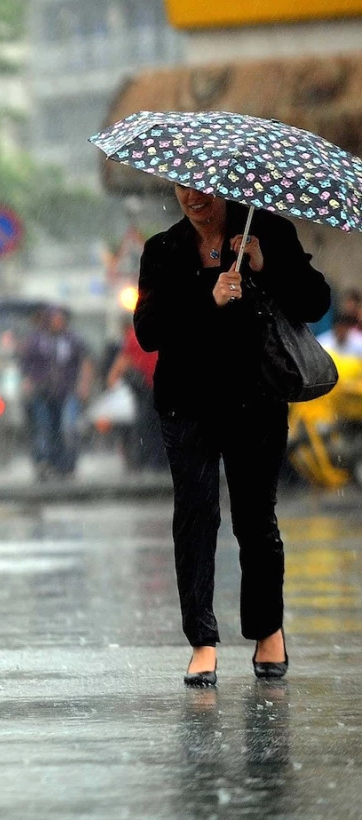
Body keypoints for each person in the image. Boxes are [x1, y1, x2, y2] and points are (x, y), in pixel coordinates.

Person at [135, 184, 330, 687]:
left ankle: (268, 632)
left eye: (204, 190)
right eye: (183, 188)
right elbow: (149, 330)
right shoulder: (163, 249)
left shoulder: (266, 232)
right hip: (187, 404)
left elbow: (314, 302)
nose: (193, 198)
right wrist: (209, 296)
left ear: (226, 188)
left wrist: (268, 267)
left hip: (255, 400)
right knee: (195, 519)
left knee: (255, 521)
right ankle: (202, 641)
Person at [18, 307, 93, 479]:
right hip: (41, 391)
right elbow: (25, 362)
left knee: (67, 427)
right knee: (44, 427)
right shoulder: (36, 340)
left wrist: (84, 384)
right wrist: (28, 380)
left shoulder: (72, 339)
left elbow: (85, 360)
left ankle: (67, 463)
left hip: (67, 390)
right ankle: (44, 462)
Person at [105, 320, 166, 471]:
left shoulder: (135, 337)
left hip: (148, 388)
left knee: (147, 426)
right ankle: (160, 461)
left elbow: (123, 362)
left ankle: (149, 461)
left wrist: (112, 381)